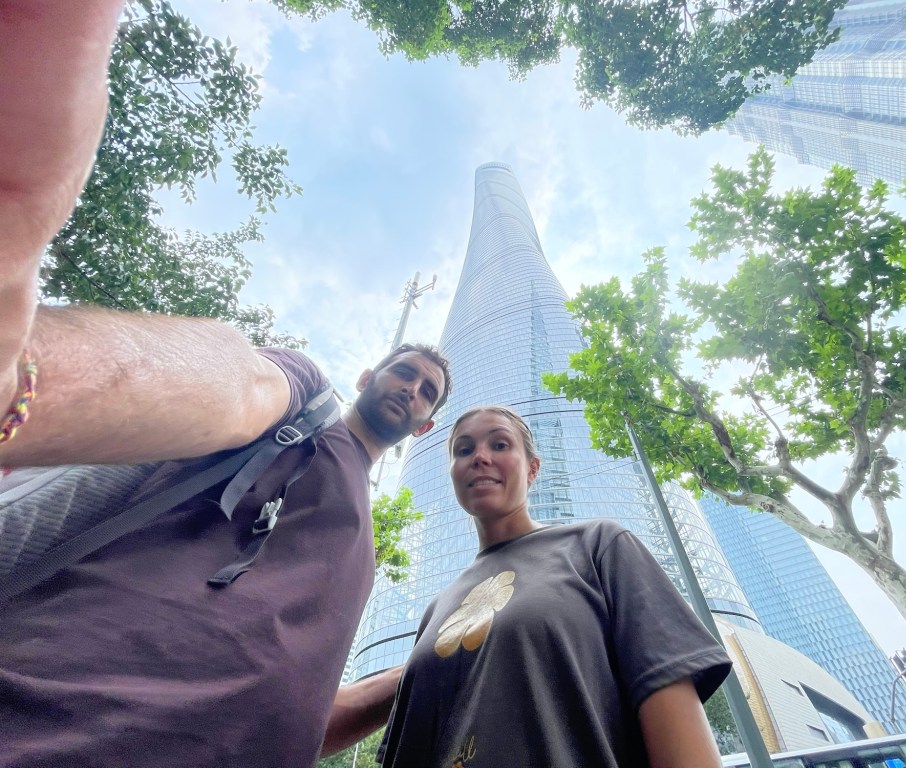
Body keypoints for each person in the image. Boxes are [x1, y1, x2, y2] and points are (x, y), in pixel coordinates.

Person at [0, 2, 449, 765]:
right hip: (59, 714)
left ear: (427, 427)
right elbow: (225, 379)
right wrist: (23, 387)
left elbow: (304, 706)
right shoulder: (304, 401)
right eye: (404, 372)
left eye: (428, 391)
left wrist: (435, 662)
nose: (411, 388)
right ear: (371, 375)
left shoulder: (363, 550)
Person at [378, 405, 734, 768]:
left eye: (500, 445)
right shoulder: (436, 609)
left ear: (532, 468)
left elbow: (669, 698)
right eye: (464, 450)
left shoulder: (597, 546)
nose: (480, 457)